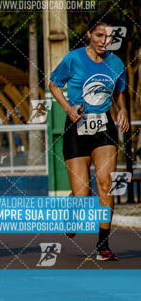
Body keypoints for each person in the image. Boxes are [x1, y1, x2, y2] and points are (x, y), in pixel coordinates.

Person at [49, 17, 128, 261]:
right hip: (77, 126)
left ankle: (103, 245)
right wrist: (68, 108)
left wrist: (122, 109)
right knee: (82, 195)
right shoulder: (73, 59)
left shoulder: (115, 63)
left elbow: (118, 90)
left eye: (109, 37)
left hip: (104, 127)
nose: (105, 42)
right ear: (89, 35)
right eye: (99, 36)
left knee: (106, 184)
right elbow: (53, 84)